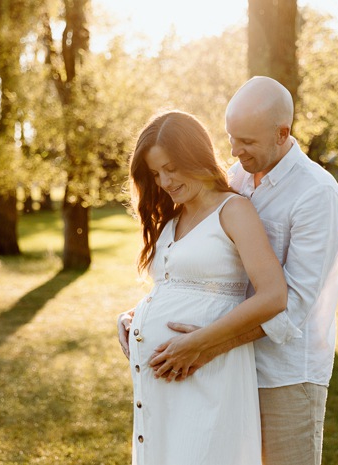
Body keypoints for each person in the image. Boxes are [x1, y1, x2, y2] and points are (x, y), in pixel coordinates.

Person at [138, 76, 338, 465]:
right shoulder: (236, 178)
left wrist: (207, 345)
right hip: (227, 372)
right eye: (231, 138)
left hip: (284, 374)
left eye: (247, 142)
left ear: (282, 133)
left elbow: (294, 304)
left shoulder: (316, 194)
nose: (235, 151)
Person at [122, 110, 287, 465]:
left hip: (208, 372)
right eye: (155, 173)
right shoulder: (173, 217)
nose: (164, 181)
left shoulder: (234, 210)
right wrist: (133, 319)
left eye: (171, 167)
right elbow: (174, 288)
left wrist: (197, 342)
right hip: (163, 381)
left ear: (195, 156)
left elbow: (274, 295)